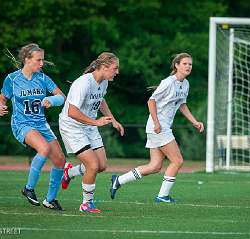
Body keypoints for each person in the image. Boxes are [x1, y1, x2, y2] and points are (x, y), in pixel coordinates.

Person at [110, 53, 204, 203]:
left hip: (160, 127)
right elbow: (151, 101)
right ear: (176, 66)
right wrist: (156, 123)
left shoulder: (185, 84)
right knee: (177, 161)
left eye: (190, 64)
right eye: (185, 63)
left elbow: (182, 104)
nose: (188, 66)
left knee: (155, 166)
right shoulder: (168, 82)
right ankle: (163, 196)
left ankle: (119, 180)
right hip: (159, 127)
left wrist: (194, 121)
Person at [0, 43, 66, 210]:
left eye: (42, 60)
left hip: (41, 124)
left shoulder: (43, 78)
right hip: (22, 124)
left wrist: (52, 100)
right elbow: (2, 98)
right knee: (43, 148)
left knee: (60, 160)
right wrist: (0, 107)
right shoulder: (12, 79)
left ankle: (50, 200)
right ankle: (28, 189)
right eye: (38, 60)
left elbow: (62, 96)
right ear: (27, 60)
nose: (42, 63)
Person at [59, 52, 124, 213]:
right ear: (104, 67)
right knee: (92, 165)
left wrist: (112, 119)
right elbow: (72, 112)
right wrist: (96, 122)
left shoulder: (104, 82)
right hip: (72, 125)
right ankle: (86, 203)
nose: (117, 72)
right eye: (115, 68)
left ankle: (70, 172)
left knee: (101, 166)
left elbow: (100, 100)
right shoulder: (83, 83)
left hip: (88, 125)